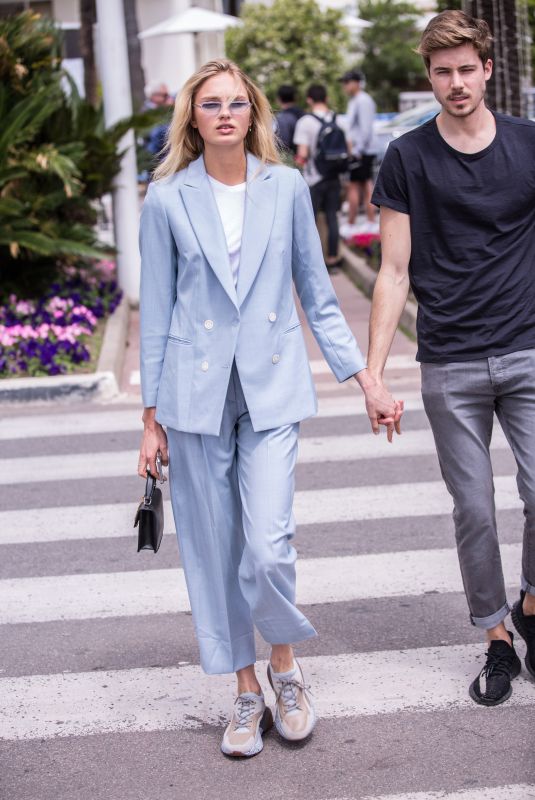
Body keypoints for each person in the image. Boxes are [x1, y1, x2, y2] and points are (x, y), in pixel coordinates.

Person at [137, 59, 400, 758]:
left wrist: (363, 379)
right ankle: (245, 690)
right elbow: (157, 313)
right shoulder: (165, 199)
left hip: (273, 388)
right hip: (194, 399)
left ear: (252, 113)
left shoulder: (284, 187)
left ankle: (286, 666)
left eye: (235, 103)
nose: (224, 113)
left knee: (266, 544)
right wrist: (149, 417)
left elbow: (316, 294)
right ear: (192, 116)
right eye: (210, 103)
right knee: (215, 549)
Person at [368, 9, 535, 707]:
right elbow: (393, 271)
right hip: (450, 360)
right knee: (473, 508)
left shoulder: (529, 143)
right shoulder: (406, 157)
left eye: (467, 69)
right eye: (442, 72)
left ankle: (530, 604)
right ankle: (496, 637)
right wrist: (373, 374)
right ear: (429, 76)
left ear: (487, 70)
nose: (456, 82)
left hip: (528, 347)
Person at [293, 84, 344, 273]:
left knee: (310, 220)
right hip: (334, 176)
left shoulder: (305, 122)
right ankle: (332, 260)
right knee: (332, 217)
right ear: (326, 98)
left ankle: (313, 263)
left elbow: (303, 153)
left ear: (309, 100)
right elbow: (349, 148)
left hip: (314, 178)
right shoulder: (337, 119)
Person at [340, 69, 379, 236]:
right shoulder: (356, 100)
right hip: (359, 150)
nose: (345, 86)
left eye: (347, 82)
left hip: (362, 151)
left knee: (358, 185)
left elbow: (365, 128)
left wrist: (357, 151)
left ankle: (363, 222)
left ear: (356, 82)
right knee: (362, 184)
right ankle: (366, 221)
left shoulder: (363, 101)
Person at [274, 84, 303, 153]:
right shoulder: (304, 115)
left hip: (291, 159)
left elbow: (283, 145)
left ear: (279, 99)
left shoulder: (282, 118)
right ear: (295, 98)